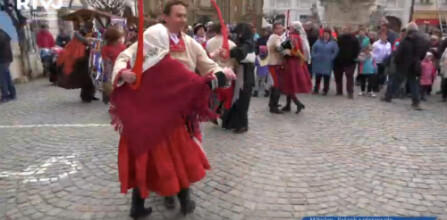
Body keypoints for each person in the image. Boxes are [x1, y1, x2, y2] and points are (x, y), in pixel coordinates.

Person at [112, 1, 235, 218]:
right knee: (166, 153)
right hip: (155, 107)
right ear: (165, 17)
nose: (183, 20)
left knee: (182, 152)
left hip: (183, 108)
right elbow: (124, 57)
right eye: (178, 15)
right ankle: (170, 193)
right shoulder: (151, 40)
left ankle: (178, 195)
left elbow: (207, 65)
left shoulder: (190, 43)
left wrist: (221, 72)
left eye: (185, 16)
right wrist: (123, 72)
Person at [382, 22, 430, 110]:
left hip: (403, 65)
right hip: (415, 64)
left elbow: (399, 53)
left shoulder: (406, 40)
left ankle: (388, 96)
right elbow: (423, 54)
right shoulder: (422, 40)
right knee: (414, 84)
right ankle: (416, 102)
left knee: (395, 81)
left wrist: (397, 62)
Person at [219, 23, 255, 133]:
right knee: (237, 98)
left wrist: (230, 51)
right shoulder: (245, 42)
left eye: (240, 33)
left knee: (242, 100)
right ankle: (233, 122)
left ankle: (242, 125)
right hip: (241, 72)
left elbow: (240, 53)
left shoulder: (247, 43)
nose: (238, 35)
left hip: (245, 74)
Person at [56, 21, 99, 103]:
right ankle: (86, 95)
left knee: (90, 77)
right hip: (80, 58)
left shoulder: (90, 33)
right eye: (90, 27)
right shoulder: (78, 33)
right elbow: (83, 40)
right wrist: (89, 40)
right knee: (86, 77)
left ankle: (90, 94)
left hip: (87, 56)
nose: (91, 28)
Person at [206, 23, 237, 126]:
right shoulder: (231, 44)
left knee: (216, 94)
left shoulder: (209, 42)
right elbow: (234, 60)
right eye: (227, 29)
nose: (229, 31)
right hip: (227, 72)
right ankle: (224, 117)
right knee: (227, 96)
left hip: (213, 72)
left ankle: (214, 112)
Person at [278, 21, 312, 114]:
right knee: (290, 85)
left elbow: (288, 50)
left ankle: (298, 104)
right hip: (298, 63)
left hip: (291, 63)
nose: (289, 28)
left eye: (291, 27)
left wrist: (281, 48)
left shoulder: (292, 37)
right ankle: (288, 105)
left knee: (288, 84)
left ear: (294, 28)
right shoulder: (301, 37)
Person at [101, 27, 127, 101]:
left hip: (120, 68)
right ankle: (109, 96)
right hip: (112, 68)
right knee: (110, 84)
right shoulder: (105, 48)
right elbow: (106, 60)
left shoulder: (121, 46)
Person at [334, 25, 360, 99]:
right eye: (343, 29)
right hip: (339, 61)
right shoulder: (340, 38)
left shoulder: (354, 39)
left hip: (350, 61)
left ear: (350, 30)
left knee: (349, 77)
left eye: (346, 29)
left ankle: (350, 92)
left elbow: (357, 49)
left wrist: (354, 58)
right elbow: (336, 48)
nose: (345, 31)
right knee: (338, 77)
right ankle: (339, 91)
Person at [312, 28, 339, 95]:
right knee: (318, 76)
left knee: (326, 77)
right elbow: (313, 49)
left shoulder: (333, 43)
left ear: (329, 34)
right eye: (325, 33)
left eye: (327, 34)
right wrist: (314, 56)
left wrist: (331, 57)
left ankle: (325, 89)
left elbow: (335, 51)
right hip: (318, 61)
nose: (326, 35)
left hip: (327, 62)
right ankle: (316, 89)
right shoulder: (318, 41)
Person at [266, 22, 285, 114]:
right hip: (274, 63)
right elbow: (279, 47)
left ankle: (272, 104)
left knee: (274, 85)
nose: (280, 30)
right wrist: (286, 53)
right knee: (276, 85)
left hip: (271, 63)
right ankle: (274, 106)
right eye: (278, 28)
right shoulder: (275, 37)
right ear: (274, 29)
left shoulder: (272, 36)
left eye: (281, 28)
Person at [0, 26, 16, 103]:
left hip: (2, 59)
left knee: (2, 78)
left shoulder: (1, 35)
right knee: (7, 77)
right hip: (6, 59)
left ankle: (5, 96)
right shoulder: (4, 34)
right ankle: (12, 94)